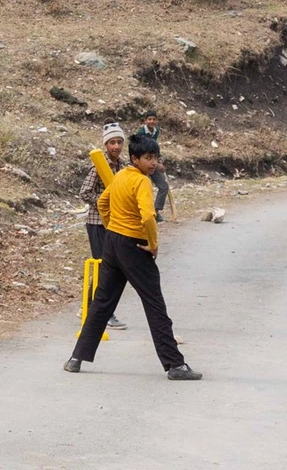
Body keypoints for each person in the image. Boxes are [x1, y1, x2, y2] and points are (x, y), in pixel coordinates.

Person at [64, 133, 200, 382]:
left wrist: (111, 227)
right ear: (135, 159)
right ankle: (175, 365)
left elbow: (103, 203)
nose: (153, 163)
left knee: (102, 302)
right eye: (147, 158)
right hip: (135, 245)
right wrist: (152, 244)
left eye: (155, 157)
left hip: (113, 243)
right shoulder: (141, 181)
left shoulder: (120, 176)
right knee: (154, 304)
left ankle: (76, 358)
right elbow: (148, 216)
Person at [81, 124, 130, 331]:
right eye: (112, 142)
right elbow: (85, 192)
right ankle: (104, 312)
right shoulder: (98, 166)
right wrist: (104, 202)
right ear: (106, 145)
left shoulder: (124, 166)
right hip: (97, 223)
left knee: (109, 267)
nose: (116, 146)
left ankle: (89, 306)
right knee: (103, 266)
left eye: (119, 142)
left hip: (115, 223)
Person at [137, 112, 171, 219]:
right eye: (149, 119)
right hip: (141, 163)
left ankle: (155, 212)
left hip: (152, 162)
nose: (152, 121)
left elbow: (155, 148)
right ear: (145, 121)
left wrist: (159, 160)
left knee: (164, 186)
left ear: (157, 121)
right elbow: (141, 151)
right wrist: (156, 164)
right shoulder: (141, 133)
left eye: (154, 119)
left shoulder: (156, 131)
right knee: (143, 188)